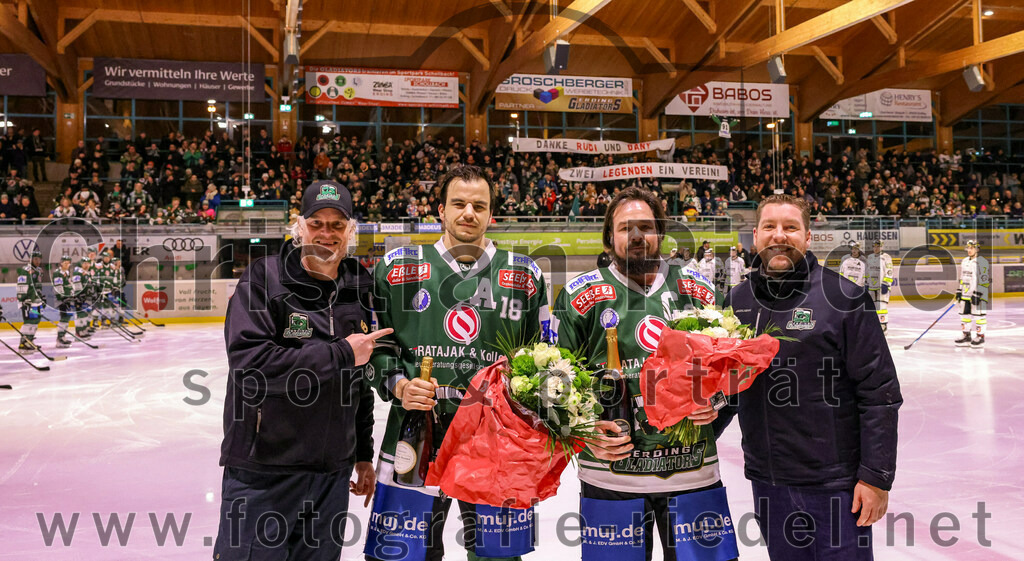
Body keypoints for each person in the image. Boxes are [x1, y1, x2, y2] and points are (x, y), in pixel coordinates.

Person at [365, 165, 550, 561]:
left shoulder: (525, 274)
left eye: (479, 206)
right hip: (416, 430)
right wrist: (398, 384)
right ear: (440, 210)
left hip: (496, 437)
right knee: (403, 554)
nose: (469, 212)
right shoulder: (397, 269)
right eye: (459, 204)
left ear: (491, 215)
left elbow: (540, 356)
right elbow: (376, 348)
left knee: (497, 556)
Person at [719, 194, 902, 560]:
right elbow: (728, 387)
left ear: (808, 236)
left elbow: (879, 392)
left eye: (790, 227)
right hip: (769, 481)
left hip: (834, 485)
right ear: (755, 236)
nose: (779, 235)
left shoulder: (844, 298)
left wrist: (875, 477)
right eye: (769, 227)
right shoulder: (737, 301)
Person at [552, 187, 725, 561]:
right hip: (611, 475)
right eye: (625, 228)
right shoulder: (579, 295)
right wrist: (582, 432)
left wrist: (717, 400)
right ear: (609, 237)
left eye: (646, 227)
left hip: (693, 471)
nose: (635, 236)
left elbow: (728, 369)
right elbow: (556, 383)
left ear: (660, 234)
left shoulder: (699, 290)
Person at [214, 180, 384, 561]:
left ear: (350, 230)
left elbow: (357, 383)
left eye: (337, 225)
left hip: (331, 476)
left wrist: (361, 452)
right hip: (264, 472)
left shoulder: (359, 285)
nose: (326, 233)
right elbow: (250, 366)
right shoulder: (264, 278)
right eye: (316, 223)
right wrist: (339, 353)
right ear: (299, 227)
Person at [956, 239, 990, 348]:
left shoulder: (982, 262)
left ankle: (980, 336)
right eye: (968, 248)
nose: (969, 250)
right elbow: (962, 277)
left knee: (979, 316)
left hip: (978, 294)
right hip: (966, 294)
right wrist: (959, 290)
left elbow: (984, 279)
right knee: (964, 315)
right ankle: (966, 335)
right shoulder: (964, 261)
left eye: (972, 248)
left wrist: (978, 293)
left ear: (977, 249)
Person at [16, 249, 46, 352]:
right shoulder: (26, 270)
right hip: (28, 302)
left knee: (36, 320)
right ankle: (23, 343)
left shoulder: (39, 270)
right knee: (29, 321)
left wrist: (41, 298)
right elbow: (21, 285)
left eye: (39, 259)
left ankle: (30, 340)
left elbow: (38, 287)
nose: (38, 261)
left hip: (36, 302)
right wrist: (23, 300)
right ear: (31, 259)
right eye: (35, 259)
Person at [52, 255, 84, 347]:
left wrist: (73, 295)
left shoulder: (66, 272)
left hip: (68, 298)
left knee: (67, 318)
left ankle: (62, 337)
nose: (67, 264)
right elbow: (58, 287)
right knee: (64, 318)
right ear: (61, 263)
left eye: (68, 263)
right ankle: (60, 339)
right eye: (65, 263)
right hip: (62, 300)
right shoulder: (57, 273)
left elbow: (69, 285)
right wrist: (63, 298)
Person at [865, 240, 894, 334]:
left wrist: (886, 283)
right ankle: (873, 325)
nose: (876, 248)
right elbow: (867, 271)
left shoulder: (886, 257)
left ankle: (883, 325)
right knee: (872, 307)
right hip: (872, 287)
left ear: (882, 247)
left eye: (878, 246)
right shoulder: (869, 257)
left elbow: (889, 271)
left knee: (882, 307)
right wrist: (866, 283)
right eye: (874, 246)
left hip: (882, 286)